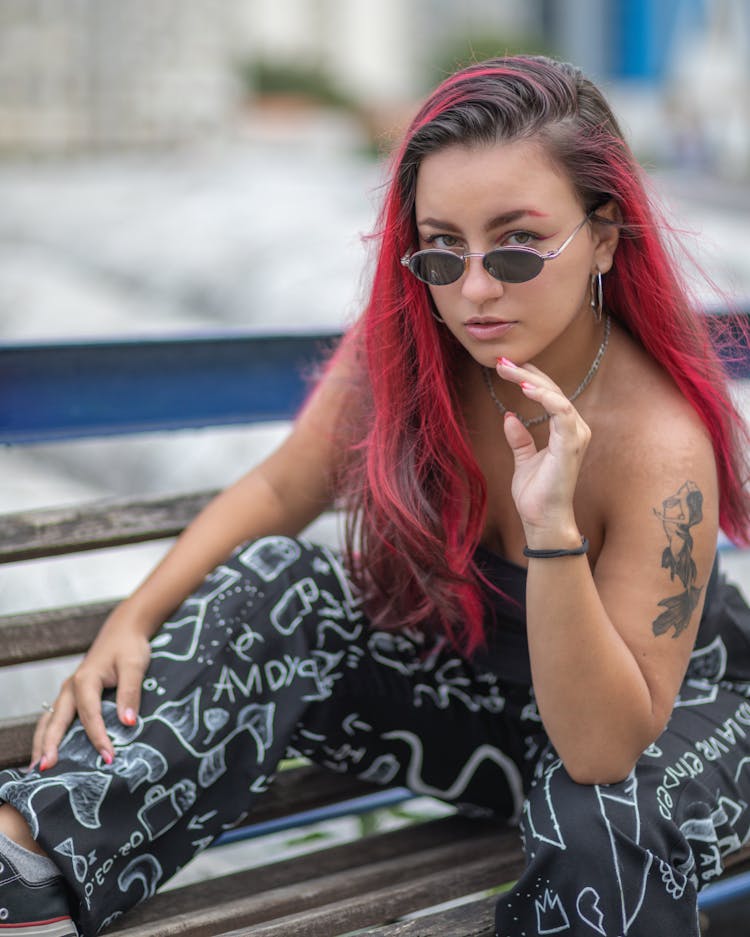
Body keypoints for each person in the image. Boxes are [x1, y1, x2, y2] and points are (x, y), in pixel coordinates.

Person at [2, 54, 750, 937]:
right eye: (442, 250)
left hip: (657, 718)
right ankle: (31, 862)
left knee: (598, 817)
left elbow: (600, 747)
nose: (475, 289)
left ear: (604, 234)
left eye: (516, 244)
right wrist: (134, 616)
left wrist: (552, 522)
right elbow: (284, 485)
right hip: (488, 706)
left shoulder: (659, 442)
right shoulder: (412, 354)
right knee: (283, 577)